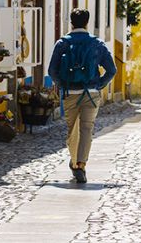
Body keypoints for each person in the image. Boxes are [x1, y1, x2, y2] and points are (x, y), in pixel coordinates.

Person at [49, 9, 116, 183]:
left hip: (71, 92)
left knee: (72, 129)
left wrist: (63, 85)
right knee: (87, 129)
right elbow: (112, 70)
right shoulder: (97, 43)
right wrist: (99, 84)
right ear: (87, 22)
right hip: (91, 93)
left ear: (71, 22)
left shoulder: (62, 43)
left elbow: (51, 71)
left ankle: (74, 162)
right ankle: (81, 164)